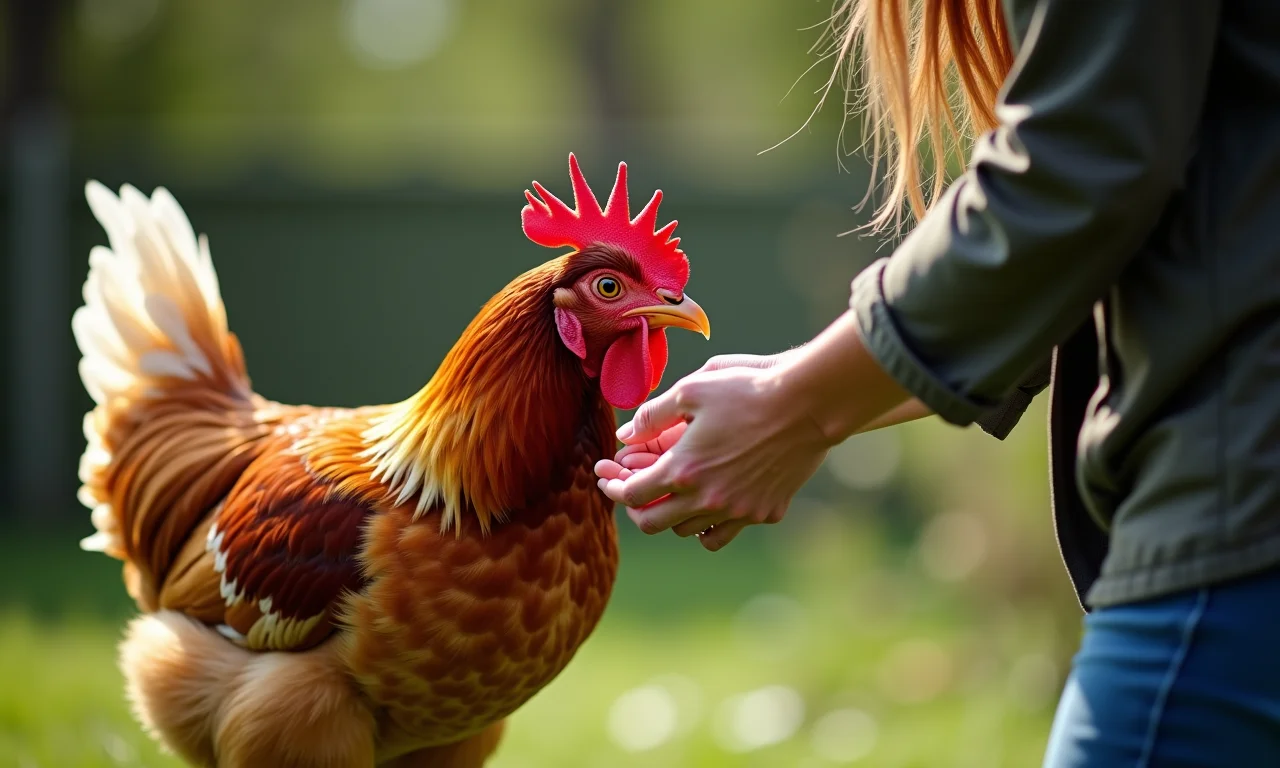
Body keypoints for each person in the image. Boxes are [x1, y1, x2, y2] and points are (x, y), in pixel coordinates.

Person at [594, 0, 1280, 765]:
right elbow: (1144, 231)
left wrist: (799, 406)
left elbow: (1073, 170)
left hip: (1241, 510)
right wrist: (805, 388)